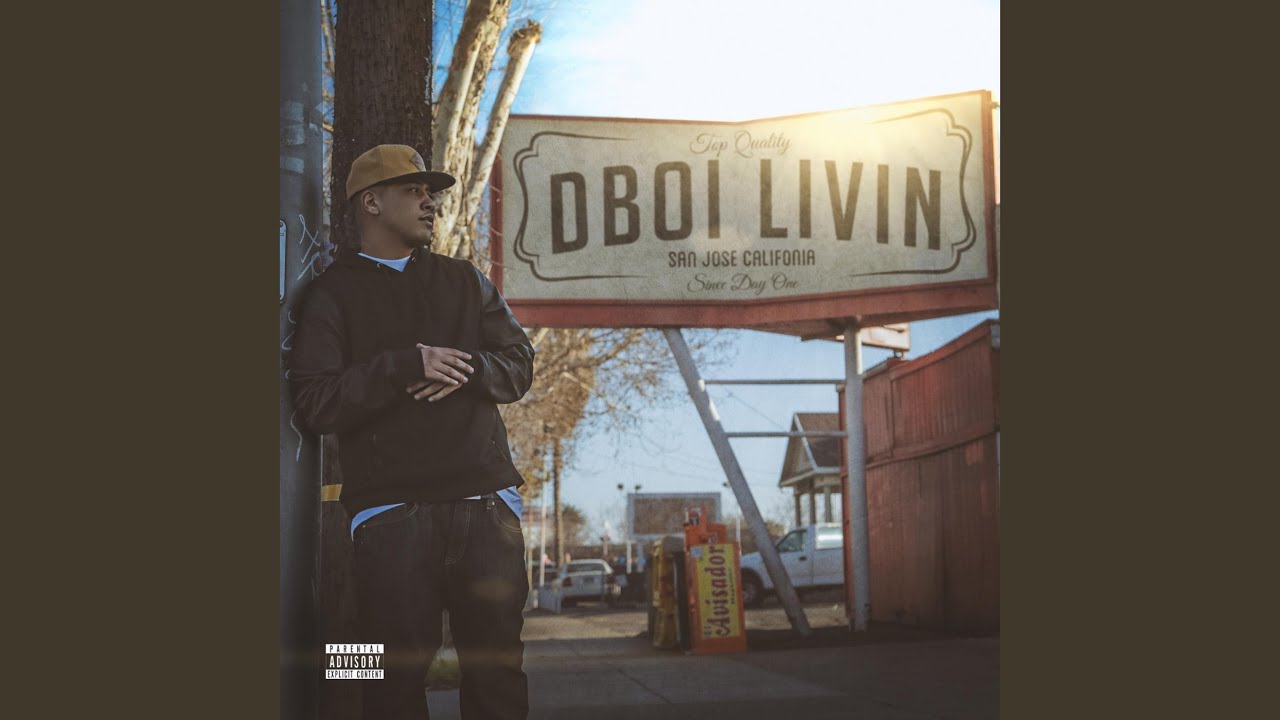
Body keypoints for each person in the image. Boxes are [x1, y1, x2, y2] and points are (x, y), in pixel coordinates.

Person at [290, 144, 535, 719]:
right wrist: (404, 366)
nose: (430, 203)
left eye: (432, 193)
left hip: (486, 511)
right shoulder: (331, 293)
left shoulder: (464, 280)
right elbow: (315, 403)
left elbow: (519, 364)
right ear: (371, 202)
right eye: (414, 191)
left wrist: (466, 368)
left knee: (499, 673)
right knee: (381, 680)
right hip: (389, 517)